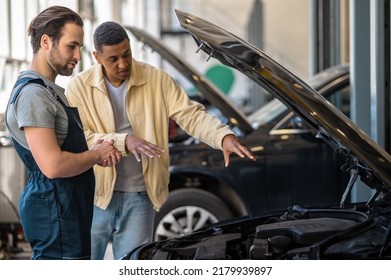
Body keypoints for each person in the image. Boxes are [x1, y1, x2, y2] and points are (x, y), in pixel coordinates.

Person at [65, 21, 256, 260]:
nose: (123, 64)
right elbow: (80, 137)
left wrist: (222, 136)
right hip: (95, 194)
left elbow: (190, 114)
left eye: (127, 54)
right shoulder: (78, 88)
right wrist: (124, 141)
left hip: (141, 195)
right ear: (97, 57)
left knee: (133, 265)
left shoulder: (157, 80)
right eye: (113, 59)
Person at [5, 6, 121, 260]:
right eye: (72, 46)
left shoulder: (51, 91)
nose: (78, 55)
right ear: (46, 42)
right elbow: (53, 165)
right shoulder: (34, 95)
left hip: (65, 209)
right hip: (53, 212)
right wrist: (95, 154)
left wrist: (94, 150)